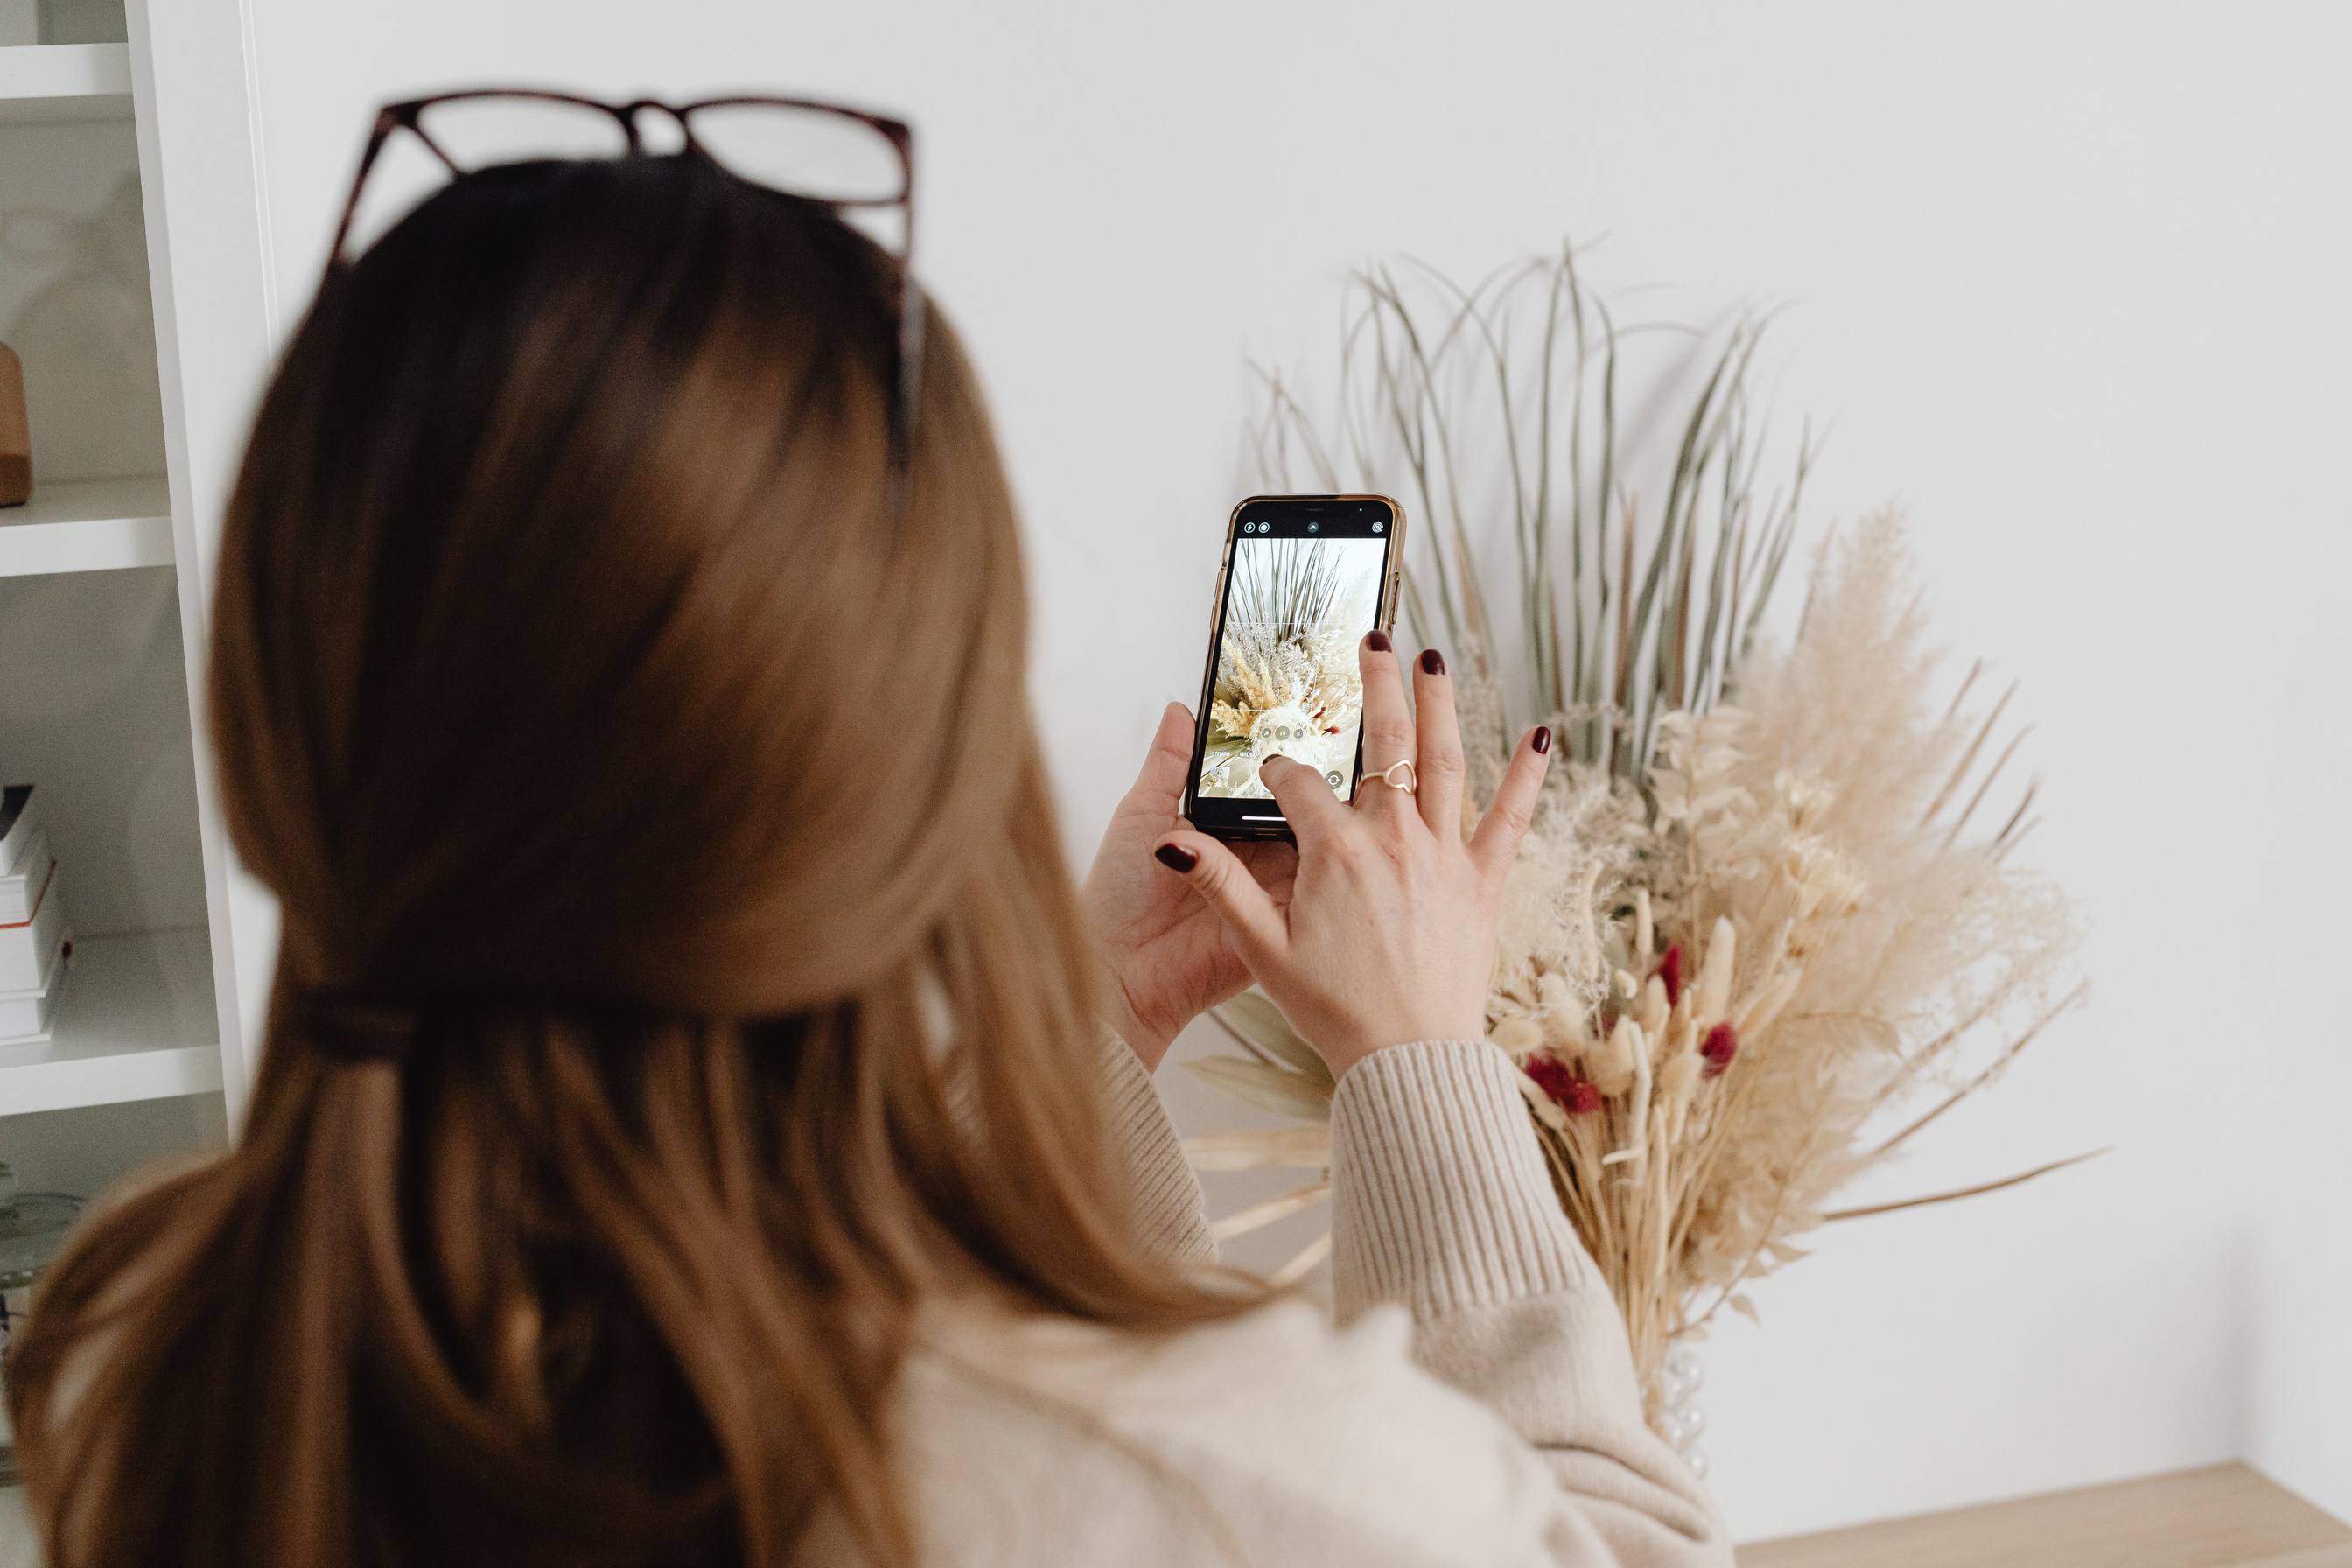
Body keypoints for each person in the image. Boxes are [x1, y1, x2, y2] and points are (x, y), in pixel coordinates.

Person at [4, 108, 1732, 1568]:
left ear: (266, 740)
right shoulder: (1257, 1472)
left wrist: (1093, 1031)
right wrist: (1423, 1065)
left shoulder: (150, 1353)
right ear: (928, 770)